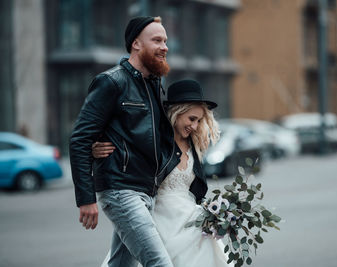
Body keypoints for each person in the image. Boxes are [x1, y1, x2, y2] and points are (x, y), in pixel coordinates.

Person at [69, 16, 175, 267]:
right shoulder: (112, 82)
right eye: (157, 40)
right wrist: (86, 199)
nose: (165, 47)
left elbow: (157, 138)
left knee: (121, 264)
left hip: (146, 190)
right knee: (160, 263)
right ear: (136, 44)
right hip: (121, 190)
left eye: (165, 41)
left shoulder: (155, 85)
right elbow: (80, 139)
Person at [94, 80, 233, 267]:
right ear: (177, 112)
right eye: (191, 119)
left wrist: (216, 213)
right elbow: (123, 152)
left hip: (193, 220)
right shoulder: (152, 142)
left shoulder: (194, 144)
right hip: (157, 219)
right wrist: (94, 151)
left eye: (199, 120)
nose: (195, 125)